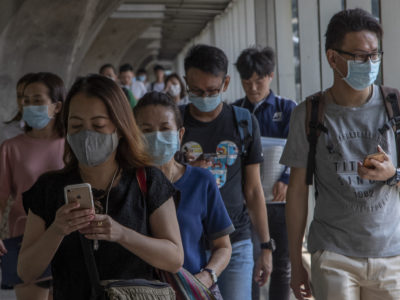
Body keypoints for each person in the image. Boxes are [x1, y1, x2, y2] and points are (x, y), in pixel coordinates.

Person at [18, 74, 184, 300]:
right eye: (76, 125)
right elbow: (26, 271)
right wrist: (57, 229)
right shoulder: (49, 188)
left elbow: (174, 258)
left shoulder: (148, 181)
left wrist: (122, 234)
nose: (86, 135)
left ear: (120, 126)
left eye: (98, 125)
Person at [281, 8, 400, 300]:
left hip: (392, 254)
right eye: (359, 56)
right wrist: (296, 262)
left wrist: (392, 175)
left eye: (375, 55)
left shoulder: (395, 106)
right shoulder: (309, 113)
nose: (369, 63)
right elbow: (296, 191)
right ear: (332, 58)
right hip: (333, 253)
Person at [180, 44, 273, 300]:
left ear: (226, 82)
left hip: (236, 242)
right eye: (196, 90)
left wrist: (265, 246)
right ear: (185, 81)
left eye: (212, 90)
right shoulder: (173, 124)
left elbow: (253, 190)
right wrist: (187, 173)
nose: (204, 96)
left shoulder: (242, 122)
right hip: (186, 242)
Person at [134, 92, 234, 298]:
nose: (156, 136)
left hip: (189, 291)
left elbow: (223, 246)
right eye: (146, 130)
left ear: (180, 135)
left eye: (164, 128)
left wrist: (206, 277)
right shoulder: (127, 184)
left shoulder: (201, 180)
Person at [234, 46, 296, 300]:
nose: (253, 87)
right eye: (247, 82)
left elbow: (299, 151)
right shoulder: (236, 112)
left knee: (281, 266)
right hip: (247, 204)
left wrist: (287, 178)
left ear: (271, 76)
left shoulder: (288, 109)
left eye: (259, 80)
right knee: (249, 263)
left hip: (280, 202)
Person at [0, 72, 66, 299]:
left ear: (57, 106)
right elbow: (1, 196)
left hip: (68, 237)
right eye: (26, 101)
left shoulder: (72, 144)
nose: (29, 106)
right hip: (24, 237)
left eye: (38, 100)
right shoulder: (11, 147)